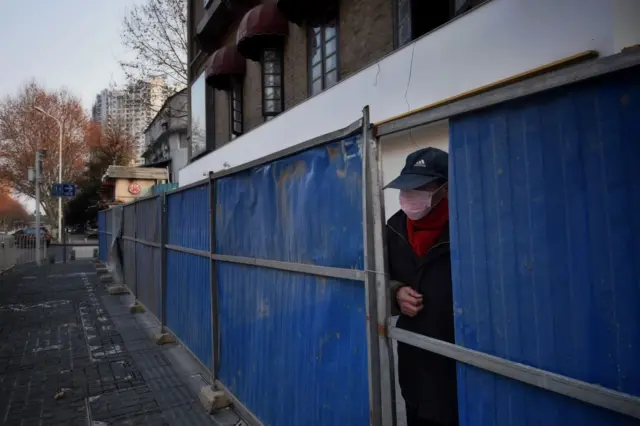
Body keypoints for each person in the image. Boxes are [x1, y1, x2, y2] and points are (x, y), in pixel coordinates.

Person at [385, 147, 458, 426]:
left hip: (456, 363)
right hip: (414, 361)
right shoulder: (393, 229)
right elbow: (379, 277)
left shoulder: (468, 227)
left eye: (421, 188)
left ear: (445, 189)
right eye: (406, 188)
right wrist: (396, 292)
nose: (410, 196)